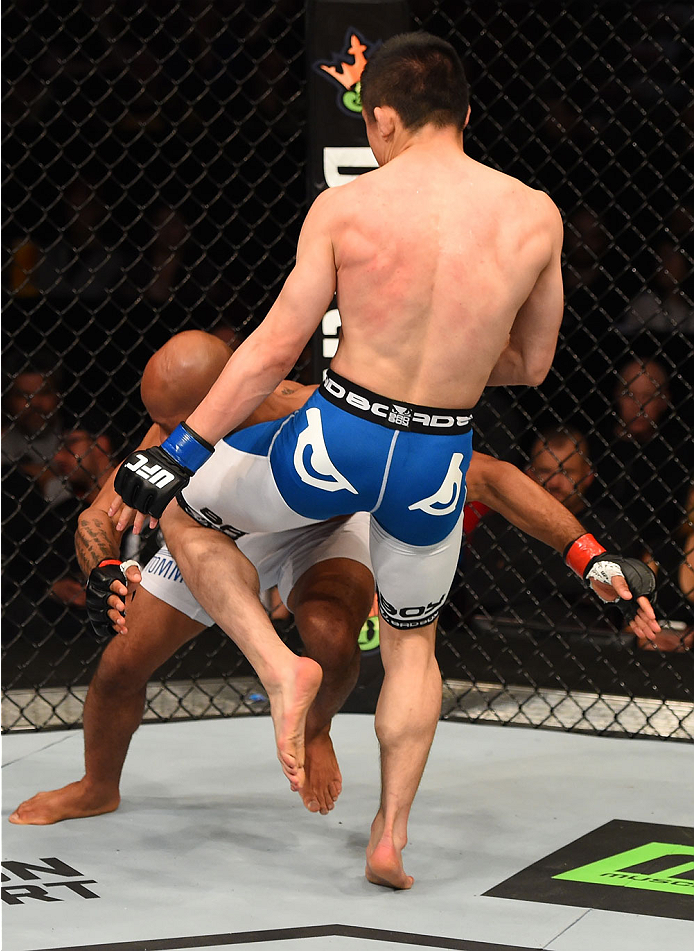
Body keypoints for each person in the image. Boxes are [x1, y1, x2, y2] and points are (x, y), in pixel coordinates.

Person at [110, 34, 638, 888]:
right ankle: (390, 835)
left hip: (337, 436)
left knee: (185, 510)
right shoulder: (535, 212)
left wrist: (175, 453)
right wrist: (456, 366)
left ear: (383, 119)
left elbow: (265, 353)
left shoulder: (347, 206)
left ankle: (280, 668)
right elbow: (534, 364)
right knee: (413, 643)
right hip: (438, 455)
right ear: (467, 116)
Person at [10, 332, 659, 830]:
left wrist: (588, 554)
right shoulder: (175, 434)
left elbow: (487, 474)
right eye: (161, 420)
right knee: (121, 661)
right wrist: (100, 572)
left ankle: (314, 723)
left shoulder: (313, 415)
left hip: (319, 526)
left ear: (225, 391)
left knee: (329, 637)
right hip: (219, 532)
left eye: (178, 418)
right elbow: (99, 516)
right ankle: (99, 783)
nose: (166, 432)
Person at [464, 425, 640, 632]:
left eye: (566, 472)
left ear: (589, 474)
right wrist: (573, 589)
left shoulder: (614, 527)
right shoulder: (497, 524)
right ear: (529, 474)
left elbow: (619, 603)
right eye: (545, 471)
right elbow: (482, 595)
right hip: (506, 632)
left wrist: (525, 574)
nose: (554, 482)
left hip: (590, 640)